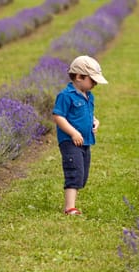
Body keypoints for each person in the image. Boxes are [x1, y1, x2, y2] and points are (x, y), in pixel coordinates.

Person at [52, 55, 108, 215]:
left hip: (85, 141)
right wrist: (73, 132)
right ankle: (69, 207)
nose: (95, 84)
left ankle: (72, 203)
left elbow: (89, 114)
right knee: (74, 171)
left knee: (83, 175)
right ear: (79, 77)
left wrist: (95, 121)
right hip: (70, 141)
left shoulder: (89, 96)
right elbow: (58, 117)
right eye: (93, 80)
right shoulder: (65, 95)